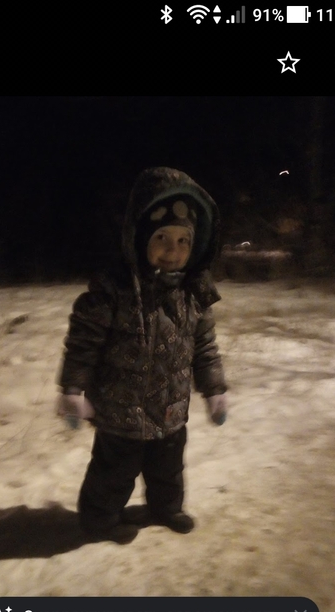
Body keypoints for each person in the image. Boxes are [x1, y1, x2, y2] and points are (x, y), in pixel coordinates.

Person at [57, 167, 228, 543]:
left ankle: (166, 509)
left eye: (183, 240)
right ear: (139, 237)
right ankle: (100, 521)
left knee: (168, 469)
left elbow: (204, 347)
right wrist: (73, 388)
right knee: (113, 473)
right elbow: (83, 343)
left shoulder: (193, 295)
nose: (173, 250)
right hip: (120, 412)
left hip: (170, 411)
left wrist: (214, 389)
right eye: (162, 237)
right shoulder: (114, 291)